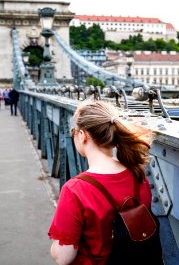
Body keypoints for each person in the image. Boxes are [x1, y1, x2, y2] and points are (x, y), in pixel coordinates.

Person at [48, 100, 154, 265]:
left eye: (73, 132)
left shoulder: (75, 189)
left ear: (83, 135)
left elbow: (63, 257)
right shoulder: (138, 176)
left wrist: (54, 249)